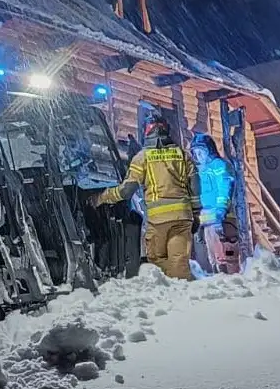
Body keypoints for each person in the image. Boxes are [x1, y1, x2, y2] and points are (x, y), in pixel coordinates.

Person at [91, 116, 200, 280]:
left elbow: (126, 191)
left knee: (156, 259)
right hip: (183, 218)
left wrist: (101, 197)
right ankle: (185, 290)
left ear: (147, 132)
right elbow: (195, 185)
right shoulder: (183, 155)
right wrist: (196, 212)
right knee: (179, 263)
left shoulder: (142, 157)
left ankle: (172, 291)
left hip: (158, 221)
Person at [190, 134, 237, 273]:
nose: (199, 156)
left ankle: (226, 270)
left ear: (209, 150)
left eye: (201, 152)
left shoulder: (218, 165)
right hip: (205, 214)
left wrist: (221, 208)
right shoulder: (198, 171)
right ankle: (216, 269)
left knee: (221, 245)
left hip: (219, 214)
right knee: (210, 246)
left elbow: (224, 186)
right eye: (196, 153)